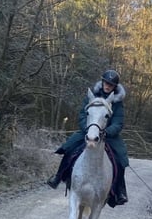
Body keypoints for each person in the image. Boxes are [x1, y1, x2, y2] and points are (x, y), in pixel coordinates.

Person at [46, 69, 129, 206]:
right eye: (106, 82)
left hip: (108, 135)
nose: (107, 86)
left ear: (115, 87)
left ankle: (119, 191)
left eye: (111, 84)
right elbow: (82, 115)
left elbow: (118, 122)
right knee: (69, 148)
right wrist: (89, 129)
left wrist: (106, 132)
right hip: (89, 130)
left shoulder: (117, 102)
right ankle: (58, 176)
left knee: (120, 160)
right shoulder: (92, 96)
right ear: (102, 82)